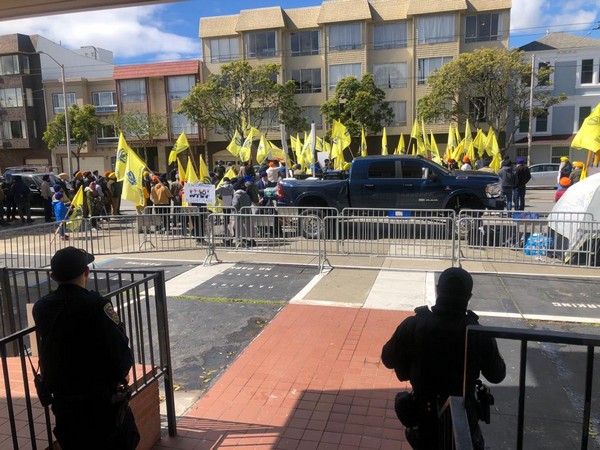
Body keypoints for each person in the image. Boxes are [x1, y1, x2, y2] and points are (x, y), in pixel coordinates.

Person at [381, 267, 506, 450]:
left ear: (438, 290)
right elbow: (497, 374)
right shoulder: (477, 333)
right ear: (469, 296)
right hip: (462, 420)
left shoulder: (413, 325)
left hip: (423, 416)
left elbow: (387, 359)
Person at [32, 247, 140, 450]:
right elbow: (120, 353)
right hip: (100, 404)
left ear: (53, 277)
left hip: (64, 405)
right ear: (86, 273)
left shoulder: (41, 307)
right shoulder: (96, 305)